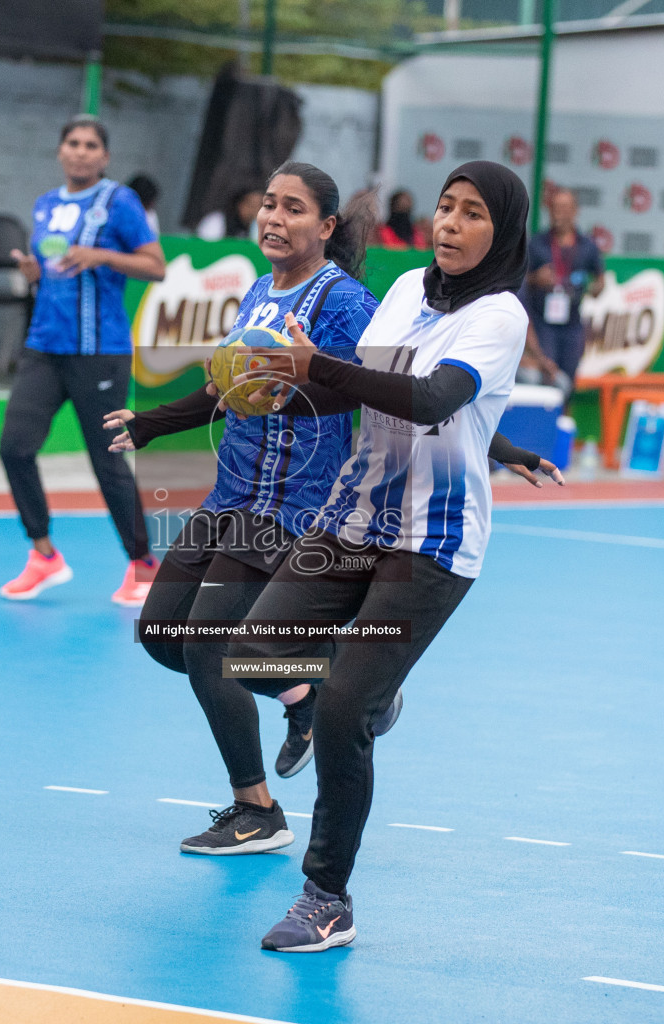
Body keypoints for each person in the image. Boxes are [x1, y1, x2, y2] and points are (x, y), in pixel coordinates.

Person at [219, 161, 563, 952]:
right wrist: (288, 381)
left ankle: (326, 898)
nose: (450, 223)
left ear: (500, 231)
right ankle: (375, 698)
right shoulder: (406, 289)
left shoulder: (501, 316)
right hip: (352, 519)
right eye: (444, 207)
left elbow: (436, 398)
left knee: (340, 714)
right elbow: (369, 387)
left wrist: (319, 366)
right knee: (250, 654)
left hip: (433, 544)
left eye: (472, 214)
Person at [107, 163, 380, 846]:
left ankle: (257, 811)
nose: (274, 218)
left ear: (325, 227)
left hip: (290, 500)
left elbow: (374, 394)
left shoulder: (346, 303)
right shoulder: (259, 291)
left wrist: (309, 372)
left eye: (293, 209)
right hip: (231, 492)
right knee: (162, 635)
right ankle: (310, 685)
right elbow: (227, 387)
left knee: (207, 648)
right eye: (268, 205)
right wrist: (152, 422)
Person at [0, 115, 166, 606]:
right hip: (45, 346)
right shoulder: (46, 204)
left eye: (91, 145)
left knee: (108, 462)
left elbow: (155, 266)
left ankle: (142, 565)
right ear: (59, 151)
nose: (81, 152)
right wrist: (32, 272)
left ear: (105, 157)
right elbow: (50, 271)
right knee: (14, 447)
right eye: (72, 142)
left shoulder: (119, 202)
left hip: (101, 354)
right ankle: (44, 554)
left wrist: (101, 256)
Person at [517, 187, 604, 384]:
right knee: (548, 375)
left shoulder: (587, 245)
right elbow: (521, 281)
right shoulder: (537, 243)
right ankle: (548, 414)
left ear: (575, 211)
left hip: (572, 323)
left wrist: (596, 288)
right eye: (554, 208)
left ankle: (564, 414)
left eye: (564, 208)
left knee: (569, 378)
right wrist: (536, 279)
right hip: (543, 322)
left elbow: (600, 279)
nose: (558, 213)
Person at [196, 185, 262, 242]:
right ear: (240, 204)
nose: (255, 210)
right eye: (252, 205)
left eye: (260, 205)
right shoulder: (216, 221)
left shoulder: (259, 227)